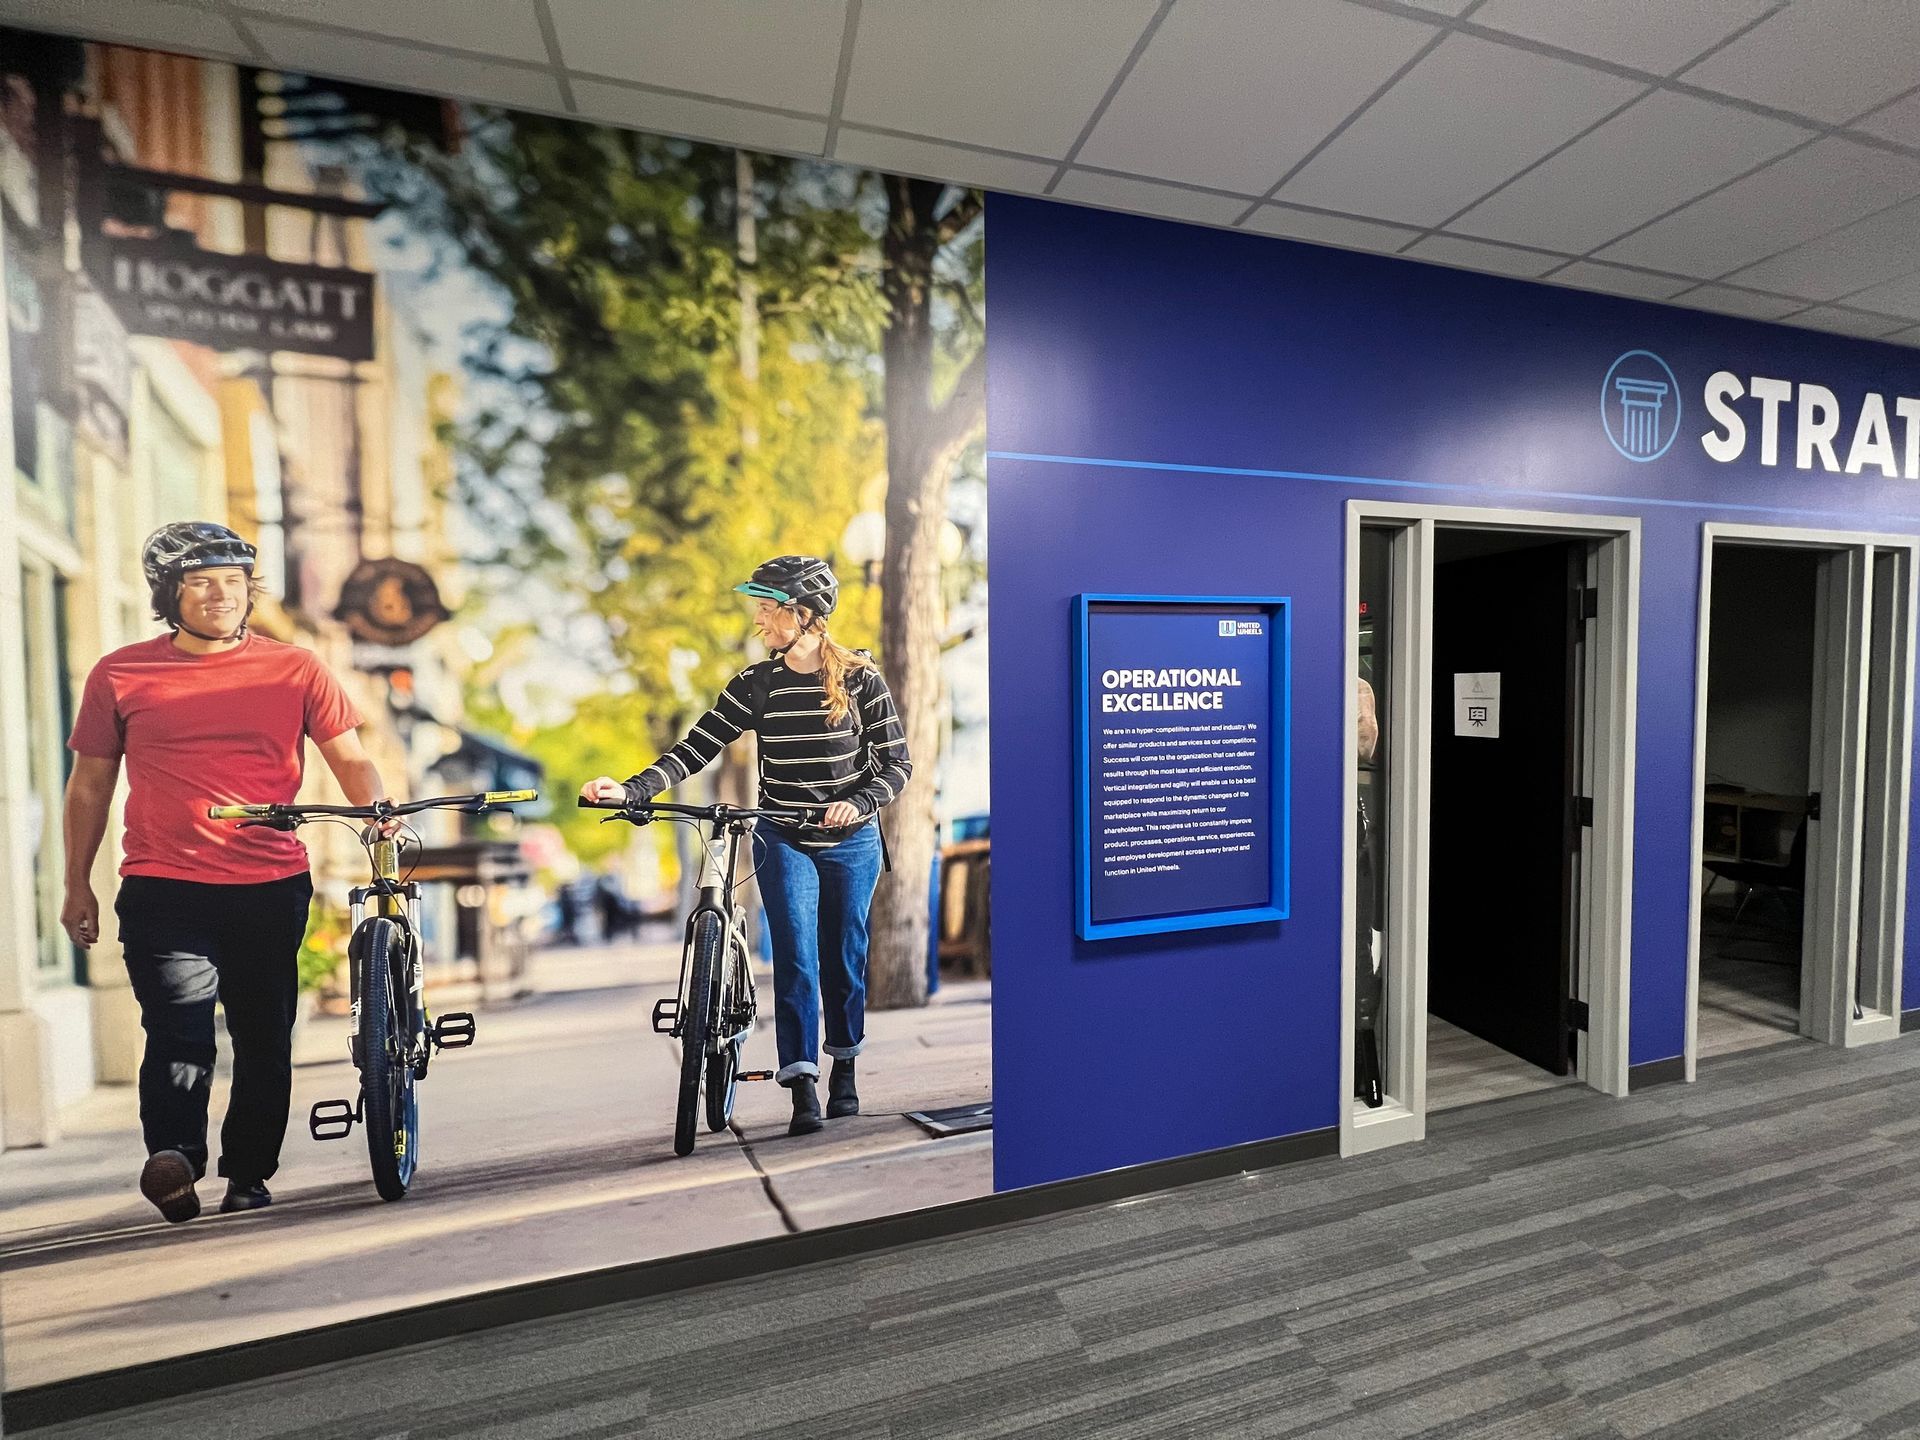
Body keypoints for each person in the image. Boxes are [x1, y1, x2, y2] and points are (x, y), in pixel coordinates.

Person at [61, 522, 396, 1223]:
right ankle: (176, 1156)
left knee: (264, 1033)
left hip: (268, 885)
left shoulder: (296, 668)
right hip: (162, 884)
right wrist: (75, 881)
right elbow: (89, 783)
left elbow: (349, 755)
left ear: (250, 589)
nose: (220, 594)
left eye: (233, 581)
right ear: (169, 593)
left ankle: (250, 1170)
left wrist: (377, 811)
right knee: (177, 1029)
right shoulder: (121, 674)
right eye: (200, 581)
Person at [581, 555, 911, 1137]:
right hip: (782, 832)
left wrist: (858, 804)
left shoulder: (861, 680)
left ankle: (845, 1066)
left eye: (767, 607)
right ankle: (801, 1081)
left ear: (803, 615)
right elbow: (696, 748)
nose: (759, 619)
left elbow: (895, 765)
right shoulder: (756, 684)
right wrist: (631, 788)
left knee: (845, 957)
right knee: (794, 955)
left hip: (850, 840)